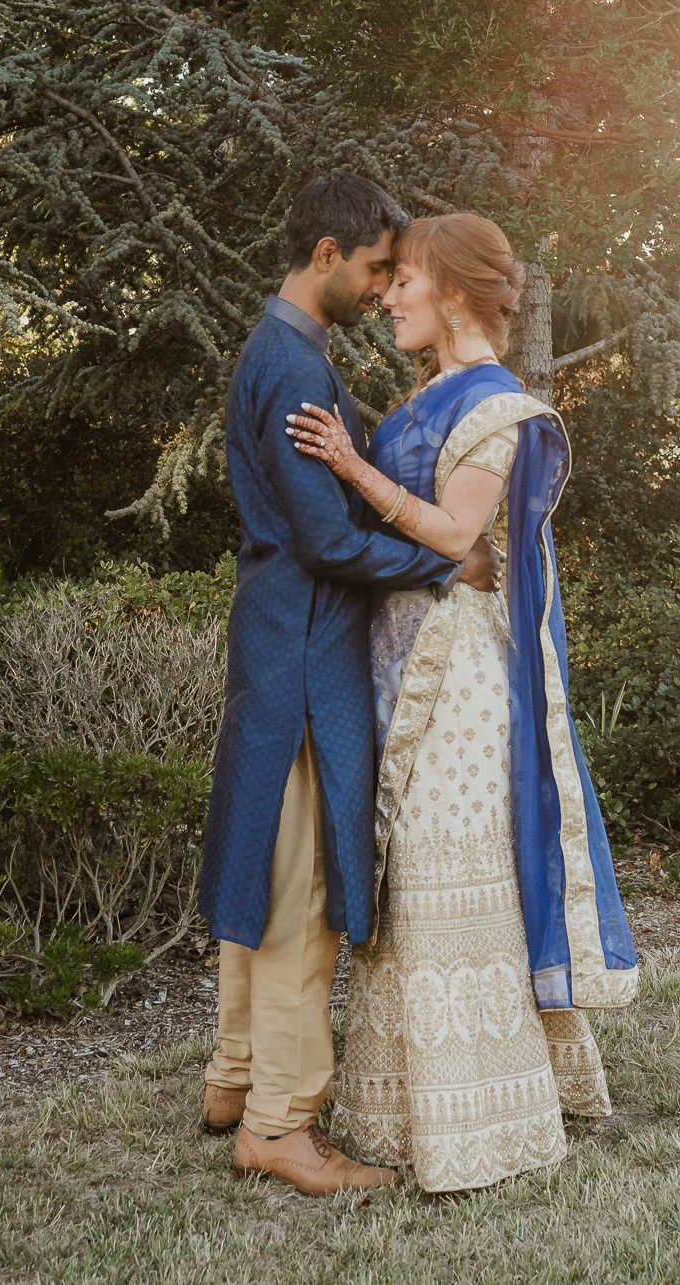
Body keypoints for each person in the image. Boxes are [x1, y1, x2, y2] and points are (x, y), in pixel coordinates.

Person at [284, 211, 640, 1194]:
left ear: (451, 287)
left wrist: (352, 467)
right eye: (388, 280)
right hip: (398, 659)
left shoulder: (505, 411)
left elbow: (455, 534)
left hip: (464, 678)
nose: (388, 295)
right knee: (409, 885)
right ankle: (401, 1110)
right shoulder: (428, 397)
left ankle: (484, 1117)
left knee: (450, 883)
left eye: (404, 280)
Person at [199, 174, 498, 1196]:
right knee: (299, 893)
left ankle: (236, 1078)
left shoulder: (294, 352)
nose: (382, 289)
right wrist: (440, 563)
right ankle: (281, 1126)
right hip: (303, 649)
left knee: (262, 865)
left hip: (281, 637)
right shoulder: (290, 365)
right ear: (324, 255)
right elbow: (324, 537)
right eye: (374, 267)